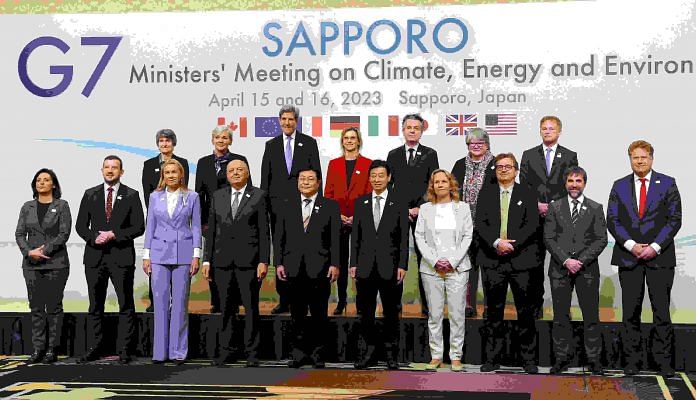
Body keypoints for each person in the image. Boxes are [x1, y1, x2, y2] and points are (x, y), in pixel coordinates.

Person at [606, 140, 682, 377]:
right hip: (629, 258)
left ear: (651, 158)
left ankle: (664, 363)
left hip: (660, 258)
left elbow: (674, 219)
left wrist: (655, 247)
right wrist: (631, 246)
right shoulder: (619, 186)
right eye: (634, 157)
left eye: (644, 156)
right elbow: (613, 220)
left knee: (661, 312)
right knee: (630, 313)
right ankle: (632, 362)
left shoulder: (668, 183)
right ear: (629, 158)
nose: (639, 161)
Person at [76, 155, 145, 364]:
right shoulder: (90, 194)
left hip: (121, 256)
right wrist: (94, 237)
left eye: (115, 167)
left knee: (126, 304)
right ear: (101, 170)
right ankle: (95, 348)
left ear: (121, 172)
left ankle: (124, 350)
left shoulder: (132, 195)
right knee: (95, 306)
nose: (110, 170)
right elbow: (80, 226)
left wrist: (114, 234)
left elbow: (139, 226)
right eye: (107, 167)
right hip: (95, 257)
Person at [475, 153, 540, 374]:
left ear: (516, 170)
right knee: (493, 313)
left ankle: (529, 360)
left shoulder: (528, 192)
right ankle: (492, 359)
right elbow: (480, 224)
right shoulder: (486, 193)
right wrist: (496, 242)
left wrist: (513, 244)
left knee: (526, 313)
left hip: (522, 260)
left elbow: (533, 224)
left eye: (508, 166)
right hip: (493, 260)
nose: (503, 170)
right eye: (499, 166)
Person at [203, 159, 270, 367]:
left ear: (248, 173)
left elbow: (263, 232)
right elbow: (211, 232)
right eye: (231, 170)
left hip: (249, 263)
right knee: (226, 310)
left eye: (240, 170)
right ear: (226, 174)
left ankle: (252, 353)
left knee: (251, 310)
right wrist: (207, 260)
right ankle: (226, 351)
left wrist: (263, 261)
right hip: (222, 262)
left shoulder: (258, 196)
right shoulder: (218, 196)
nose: (235, 173)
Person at [274, 168, 339, 368]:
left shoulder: (330, 206)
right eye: (302, 179)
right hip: (293, 268)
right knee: (297, 315)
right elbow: (279, 238)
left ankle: (319, 355)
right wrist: (279, 262)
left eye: (310, 179)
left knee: (320, 315)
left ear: (319, 182)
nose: (305, 182)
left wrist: (335, 264)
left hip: (320, 268)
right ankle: (298, 354)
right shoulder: (287, 205)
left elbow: (335, 239)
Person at [544, 166, 607, 375]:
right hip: (560, 270)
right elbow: (549, 238)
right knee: (561, 317)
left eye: (578, 181)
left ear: (584, 184)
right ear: (565, 183)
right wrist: (566, 260)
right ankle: (562, 360)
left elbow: (601, 239)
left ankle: (594, 361)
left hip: (587, 269)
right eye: (570, 181)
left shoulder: (596, 208)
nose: (574, 185)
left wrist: (579, 260)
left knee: (591, 316)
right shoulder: (555, 207)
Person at [261, 105, 322, 315]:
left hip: (303, 206)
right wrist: (266, 208)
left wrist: (317, 203)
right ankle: (284, 299)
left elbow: (317, 175)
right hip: (278, 208)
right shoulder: (271, 145)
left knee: (303, 251)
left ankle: (304, 298)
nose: (287, 123)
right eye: (284, 119)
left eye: (291, 119)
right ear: (279, 121)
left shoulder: (309, 143)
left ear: (296, 121)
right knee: (281, 252)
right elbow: (265, 179)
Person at [351, 160, 409, 370]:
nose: (377, 179)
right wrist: (353, 263)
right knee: (365, 313)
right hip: (365, 267)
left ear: (389, 177)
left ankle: (391, 356)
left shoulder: (399, 201)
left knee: (391, 314)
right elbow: (355, 237)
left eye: (381, 175)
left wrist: (403, 264)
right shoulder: (361, 203)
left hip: (391, 267)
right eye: (373, 175)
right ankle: (367, 354)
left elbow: (404, 238)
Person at [142, 159, 201, 365]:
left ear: (181, 174)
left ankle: (178, 352)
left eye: (174, 172)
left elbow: (196, 228)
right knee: (159, 304)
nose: (171, 175)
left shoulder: (192, 196)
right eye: (167, 172)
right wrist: (146, 255)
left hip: (183, 254)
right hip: (158, 255)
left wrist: (196, 254)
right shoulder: (154, 197)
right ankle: (160, 352)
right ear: (163, 175)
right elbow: (150, 226)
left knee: (179, 304)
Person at [520, 116, 578, 319]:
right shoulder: (528, 155)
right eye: (543, 128)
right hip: (534, 217)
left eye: (551, 129)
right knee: (534, 264)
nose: (547, 131)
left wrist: (553, 206)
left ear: (559, 131)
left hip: (560, 217)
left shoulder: (570, 155)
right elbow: (524, 185)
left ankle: (562, 309)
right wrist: (536, 204)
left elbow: (572, 185)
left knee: (561, 263)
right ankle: (535, 306)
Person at [414, 169, 473, 372]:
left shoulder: (463, 208)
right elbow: (419, 237)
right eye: (436, 182)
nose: (440, 185)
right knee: (435, 315)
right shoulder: (425, 209)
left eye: (443, 181)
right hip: (431, 270)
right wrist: (434, 260)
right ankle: (436, 355)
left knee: (457, 314)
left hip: (457, 269)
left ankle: (456, 356)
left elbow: (468, 236)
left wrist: (452, 261)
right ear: (432, 186)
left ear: (451, 184)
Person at [15, 168, 71, 364]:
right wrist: (30, 252)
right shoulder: (27, 207)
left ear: (53, 184)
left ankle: (52, 349)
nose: (42, 183)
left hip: (56, 263)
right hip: (31, 264)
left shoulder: (62, 205)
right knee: (36, 308)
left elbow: (63, 234)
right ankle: (38, 349)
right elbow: (20, 234)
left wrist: (44, 251)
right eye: (38, 180)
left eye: (46, 180)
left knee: (54, 307)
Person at [386, 113, 439, 316]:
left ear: (422, 130)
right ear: (403, 129)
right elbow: (389, 186)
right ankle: (394, 305)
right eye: (409, 127)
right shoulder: (393, 154)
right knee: (395, 257)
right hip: (398, 214)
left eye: (416, 128)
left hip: (422, 213)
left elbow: (433, 184)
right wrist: (401, 209)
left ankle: (427, 305)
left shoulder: (430, 153)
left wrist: (421, 207)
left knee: (425, 258)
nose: (412, 131)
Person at [195, 124, 251, 314]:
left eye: (225, 138)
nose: (221, 141)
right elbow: (199, 194)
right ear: (212, 140)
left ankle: (234, 300)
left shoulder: (239, 160)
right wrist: (201, 222)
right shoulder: (203, 163)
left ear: (230, 141)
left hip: (236, 217)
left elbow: (248, 190)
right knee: (214, 261)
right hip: (211, 220)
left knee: (234, 261)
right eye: (218, 138)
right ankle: (216, 300)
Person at [324, 127, 372, 315]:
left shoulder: (368, 164)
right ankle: (341, 301)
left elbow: (369, 193)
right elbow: (328, 193)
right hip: (339, 220)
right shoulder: (334, 164)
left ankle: (361, 303)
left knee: (361, 262)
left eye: (353, 138)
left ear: (358, 141)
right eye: (346, 138)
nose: (350, 141)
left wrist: (357, 216)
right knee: (340, 262)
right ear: (342, 141)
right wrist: (338, 215)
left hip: (360, 220)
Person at [142, 128, 190, 312]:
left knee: (177, 261)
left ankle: (176, 303)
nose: (164, 144)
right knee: (156, 259)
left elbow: (183, 188)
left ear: (173, 143)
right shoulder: (149, 164)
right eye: (161, 141)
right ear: (157, 144)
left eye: (168, 141)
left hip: (177, 219)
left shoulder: (183, 163)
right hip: (158, 219)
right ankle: (156, 302)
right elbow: (148, 193)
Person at [451, 128, 497, 318]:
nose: (476, 146)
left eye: (480, 143)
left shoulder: (496, 164)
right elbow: (453, 190)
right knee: (467, 265)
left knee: (489, 267)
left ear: (487, 145)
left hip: (489, 223)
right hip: (464, 224)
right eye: (472, 143)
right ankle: (468, 304)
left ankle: (489, 305)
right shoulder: (460, 164)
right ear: (467, 145)